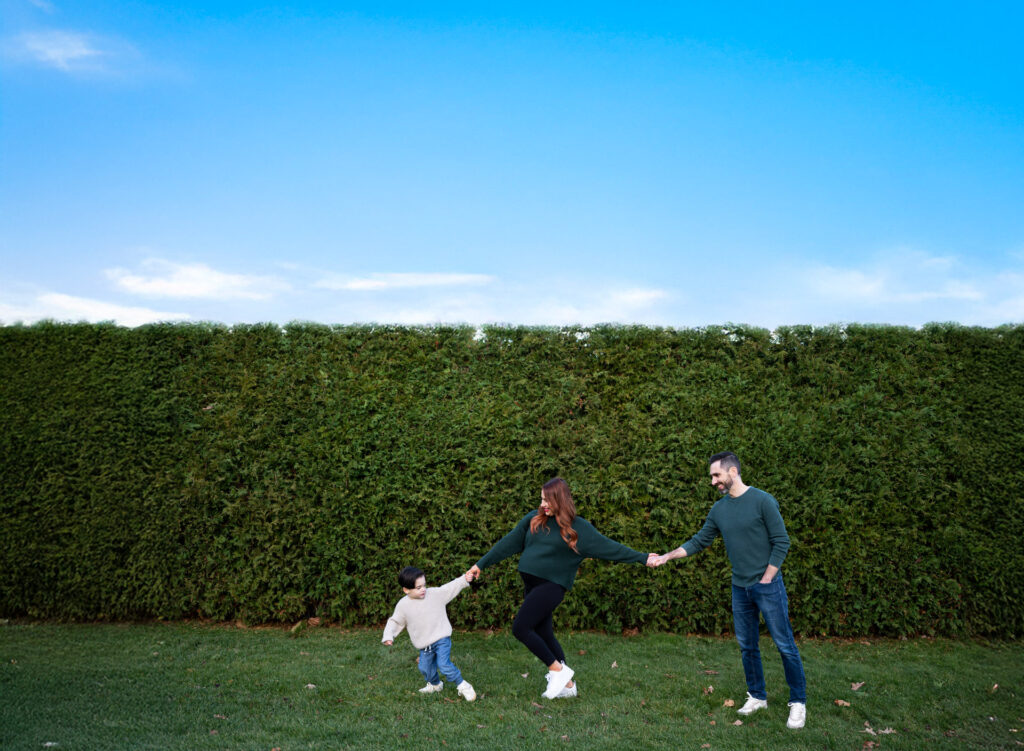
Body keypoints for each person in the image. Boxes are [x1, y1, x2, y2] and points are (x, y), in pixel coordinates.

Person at [467, 477, 658, 700]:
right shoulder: (534, 519)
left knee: (521, 628)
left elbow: (609, 547)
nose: (543, 505)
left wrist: (642, 558)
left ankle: (557, 670)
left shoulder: (579, 528)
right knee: (543, 632)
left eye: (548, 500)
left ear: (560, 499)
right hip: (532, 585)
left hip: (552, 586)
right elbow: (509, 542)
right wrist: (481, 563)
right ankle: (567, 686)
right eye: (541, 499)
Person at [653, 451, 807, 729]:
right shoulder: (719, 510)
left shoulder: (762, 501)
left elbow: (781, 542)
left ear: (732, 472)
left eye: (716, 475)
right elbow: (700, 541)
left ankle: (798, 702)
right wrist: (667, 556)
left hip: (767, 586)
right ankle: (757, 696)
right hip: (740, 588)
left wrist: (767, 579)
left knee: (784, 644)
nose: (713, 481)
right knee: (748, 646)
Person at [382, 566, 477, 701]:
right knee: (425, 668)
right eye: (418, 587)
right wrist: (388, 636)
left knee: (444, 665)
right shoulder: (403, 605)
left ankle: (463, 685)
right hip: (425, 644)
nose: (423, 589)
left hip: (441, 638)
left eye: (424, 585)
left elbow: (449, 588)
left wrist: (464, 579)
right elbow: (395, 621)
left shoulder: (434, 595)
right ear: (406, 589)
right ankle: (435, 684)